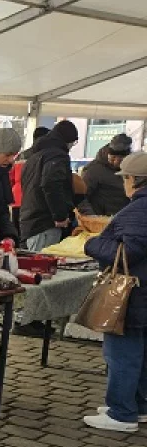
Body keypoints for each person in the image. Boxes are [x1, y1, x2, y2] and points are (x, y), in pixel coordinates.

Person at [82, 152, 147, 431]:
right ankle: (138, 406)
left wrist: (93, 244)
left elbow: (129, 250)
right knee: (140, 353)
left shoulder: (138, 209)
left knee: (122, 354)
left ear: (132, 180)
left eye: (125, 178)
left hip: (134, 294)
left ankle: (121, 413)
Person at [20, 120, 79, 251]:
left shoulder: (34, 156)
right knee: (43, 266)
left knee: (33, 265)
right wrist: (60, 216)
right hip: (45, 223)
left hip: (30, 221)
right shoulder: (57, 155)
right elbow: (51, 184)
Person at [84, 133, 134, 216]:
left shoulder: (133, 169)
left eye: (121, 159)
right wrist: (91, 216)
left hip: (125, 218)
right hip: (101, 219)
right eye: (113, 158)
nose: (116, 162)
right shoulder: (94, 169)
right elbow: (81, 196)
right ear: (108, 154)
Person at [11, 126, 50, 231]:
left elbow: (10, 178)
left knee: (16, 233)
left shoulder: (21, 155)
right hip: (32, 200)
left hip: (16, 199)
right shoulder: (44, 156)